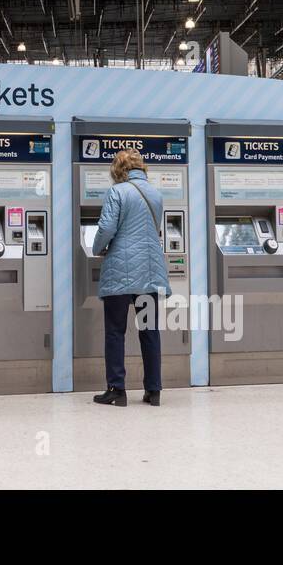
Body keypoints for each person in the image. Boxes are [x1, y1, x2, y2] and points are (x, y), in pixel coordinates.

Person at [91, 149, 171, 407]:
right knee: (149, 331)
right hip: (149, 270)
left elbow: (107, 228)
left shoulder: (117, 191)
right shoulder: (156, 194)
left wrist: (96, 248)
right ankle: (153, 390)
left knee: (115, 331)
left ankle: (117, 390)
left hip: (120, 272)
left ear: (119, 170)